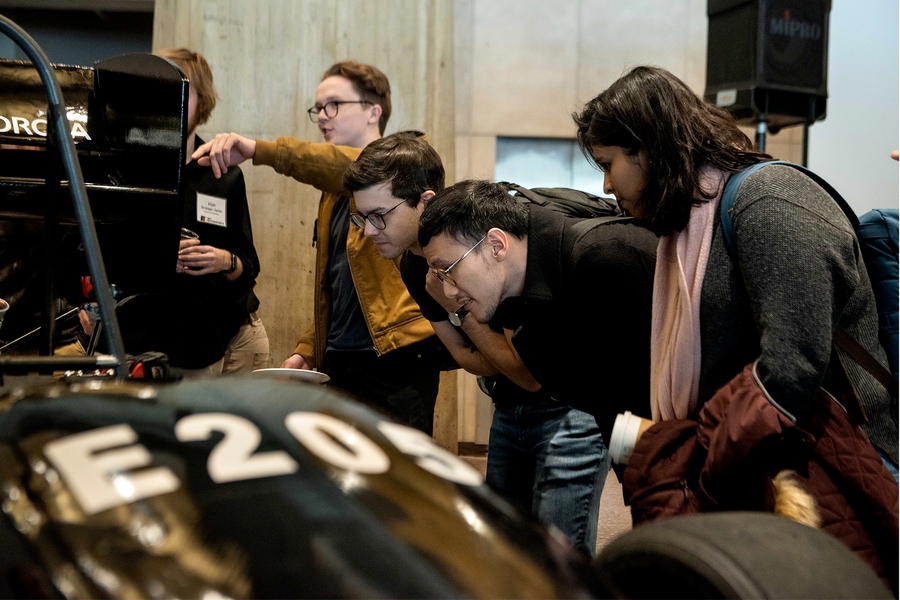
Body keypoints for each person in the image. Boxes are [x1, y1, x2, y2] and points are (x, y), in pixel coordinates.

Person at [573, 65, 898, 585]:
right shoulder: (692, 222)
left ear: (648, 148)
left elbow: (792, 367)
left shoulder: (770, 202)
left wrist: (702, 467)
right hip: (771, 460)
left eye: (609, 164)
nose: (607, 183)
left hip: (839, 459)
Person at [342, 133, 610, 556]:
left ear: (425, 201)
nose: (370, 232)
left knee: (560, 558)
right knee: (504, 547)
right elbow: (469, 359)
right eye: (362, 218)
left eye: (380, 216)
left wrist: (456, 305)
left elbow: (525, 370)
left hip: (569, 404)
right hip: (509, 406)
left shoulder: (482, 247)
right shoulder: (416, 265)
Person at [192, 61, 441, 434]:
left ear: (374, 111)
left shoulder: (406, 167)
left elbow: (348, 163)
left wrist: (259, 149)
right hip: (340, 361)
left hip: (394, 358)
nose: (323, 117)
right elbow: (338, 286)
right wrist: (308, 348)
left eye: (334, 105)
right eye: (318, 108)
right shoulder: (333, 190)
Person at [417, 179, 658, 549]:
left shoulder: (606, 258)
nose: (447, 291)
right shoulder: (517, 303)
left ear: (497, 244)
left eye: (450, 270)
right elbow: (604, 401)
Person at [120, 48, 268, 377]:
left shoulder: (222, 175)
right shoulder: (124, 169)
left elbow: (248, 267)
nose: (170, 100)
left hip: (209, 343)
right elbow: (99, 256)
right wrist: (158, 260)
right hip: (138, 344)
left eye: (183, 90)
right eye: (160, 89)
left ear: (202, 103)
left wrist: (223, 261)